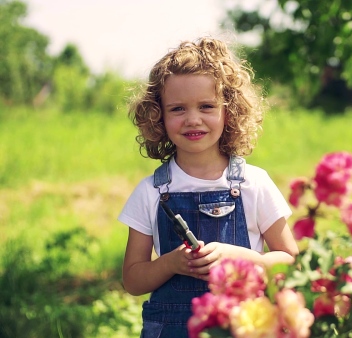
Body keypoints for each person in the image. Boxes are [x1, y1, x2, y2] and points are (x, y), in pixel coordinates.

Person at [119, 37, 299, 338]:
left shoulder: (254, 183)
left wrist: (240, 258)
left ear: (228, 111)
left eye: (206, 106)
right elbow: (133, 280)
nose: (193, 119)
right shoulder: (151, 191)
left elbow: (290, 261)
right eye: (177, 109)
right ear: (158, 115)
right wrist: (171, 263)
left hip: (243, 328)